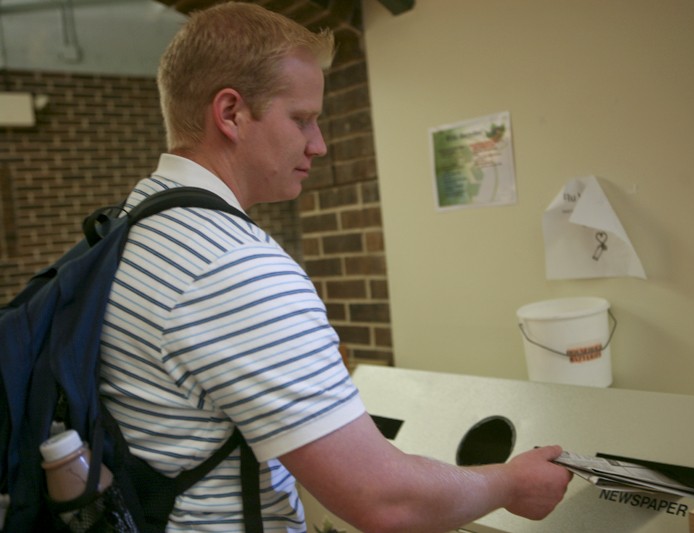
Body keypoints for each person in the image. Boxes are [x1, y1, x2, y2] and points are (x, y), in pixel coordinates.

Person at [99, 2, 572, 532]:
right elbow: (386, 501)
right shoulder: (231, 265)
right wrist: (510, 482)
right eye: (302, 119)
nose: (319, 144)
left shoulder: (129, 226)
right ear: (230, 113)